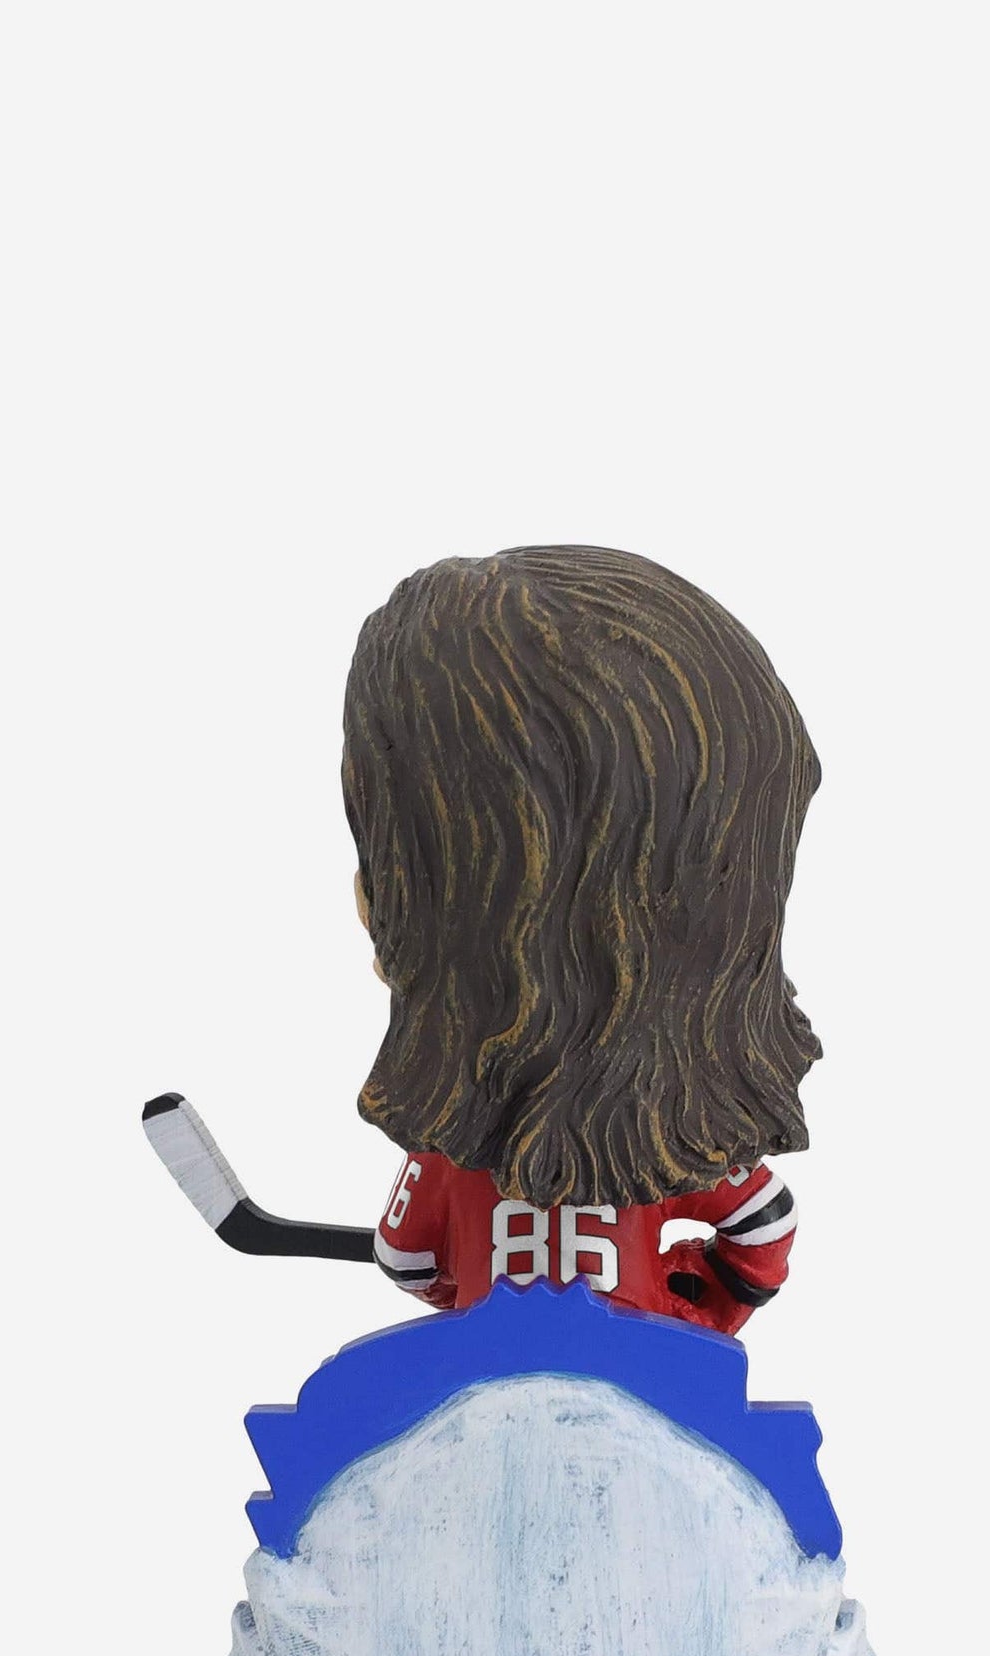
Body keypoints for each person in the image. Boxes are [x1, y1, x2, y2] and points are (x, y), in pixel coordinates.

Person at [343, 546, 821, 1336]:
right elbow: (766, 1232)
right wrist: (699, 1315)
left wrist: (464, 1308)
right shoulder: (689, 1149)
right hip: (651, 1372)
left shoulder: (446, 1162)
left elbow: (405, 1260)